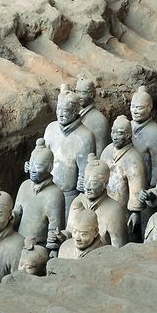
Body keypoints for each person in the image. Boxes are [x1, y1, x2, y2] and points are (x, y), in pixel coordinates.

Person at [43, 84, 96, 219]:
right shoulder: (50, 128)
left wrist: (79, 200)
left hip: (69, 196)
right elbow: (42, 156)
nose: (60, 114)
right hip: (47, 190)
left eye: (65, 110)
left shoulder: (85, 136)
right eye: (58, 109)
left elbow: (85, 172)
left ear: (75, 112)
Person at [14, 139, 65, 251]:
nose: (33, 170)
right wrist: (9, 216)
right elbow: (17, 214)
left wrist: (52, 249)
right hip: (19, 244)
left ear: (50, 167)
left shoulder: (55, 194)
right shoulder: (24, 186)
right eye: (31, 165)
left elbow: (54, 231)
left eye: (38, 167)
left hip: (40, 248)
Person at [100, 116, 147, 237]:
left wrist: (135, 212)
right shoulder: (107, 151)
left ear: (128, 135)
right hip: (104, 206)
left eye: (120, 133)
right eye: (113, 132)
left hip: (123, 212)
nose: (115, 136)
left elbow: (137, 188)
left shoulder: (134, 159)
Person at [130, 85, 157, 188]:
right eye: (133, 106)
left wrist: (152, 190)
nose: (135, 111)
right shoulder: (127, 126)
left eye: (139, 108)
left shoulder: (156, 135)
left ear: (149, 108)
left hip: (144, 186)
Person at [75, 75, 110, 155]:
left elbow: (100, 152)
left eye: (83, 93)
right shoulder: (74, 113)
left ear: (91, 95)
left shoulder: (99, 121)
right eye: (77, 92)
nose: (78, 96)